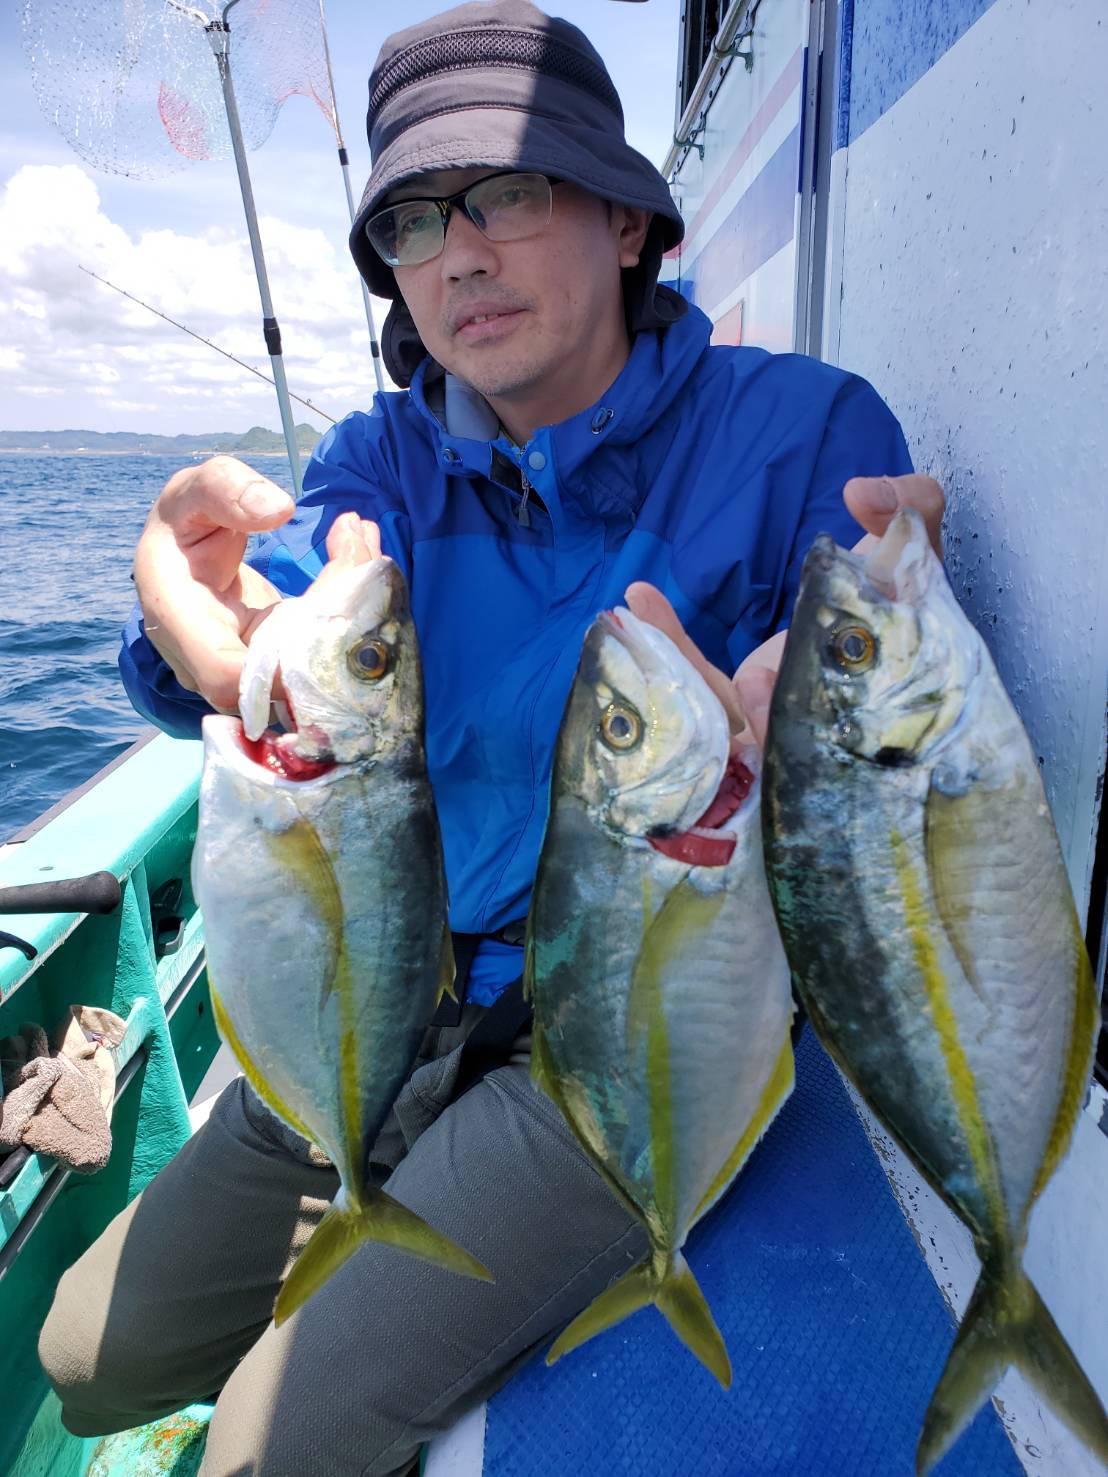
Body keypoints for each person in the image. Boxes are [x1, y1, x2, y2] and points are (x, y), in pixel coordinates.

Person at [38, 4, 944, 1474]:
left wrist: (847, 702)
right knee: (86, 1356)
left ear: (629, 222)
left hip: (611, 1031)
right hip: (379, 989)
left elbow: (882, 738)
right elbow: (280, 621)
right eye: (412, 220)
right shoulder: (379, 465)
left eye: (507, 194)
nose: (459, 254)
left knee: (266, 1449)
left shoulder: (804, 434)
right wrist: (189, 628)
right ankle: (369, 1192)